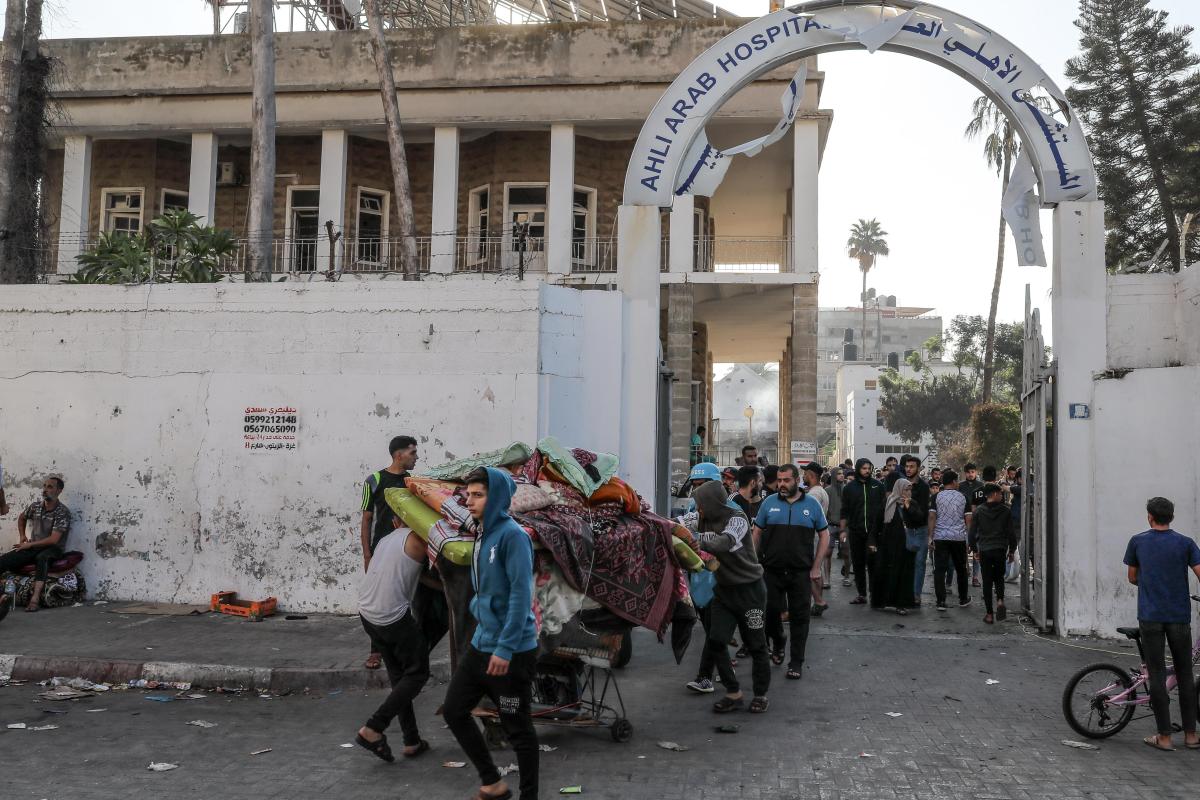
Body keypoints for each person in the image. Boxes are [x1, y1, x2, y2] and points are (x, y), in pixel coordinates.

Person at [443, 467, 539, 800]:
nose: (469, 501)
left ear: (495, 497)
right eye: (468, 494)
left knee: (518, 730)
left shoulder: (513, 536)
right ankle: (493, 782)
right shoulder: (483, 532)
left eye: (478, 494)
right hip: (482, 644)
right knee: (454, 710)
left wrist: (506, 649)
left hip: (511, 652)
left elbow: (520, 596)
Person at [1123, 497, 1200, 752]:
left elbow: (1132, 577)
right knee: (1185, 673)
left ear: (1149, 516)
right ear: (1172, 517)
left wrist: (1150, 585)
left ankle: (1164, 737)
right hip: (1179, 616)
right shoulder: (1186, 543)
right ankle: (1191, 736)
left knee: (1156, 674)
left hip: (1150, 616)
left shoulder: (1138, 541)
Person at [690, 480, 772, 713]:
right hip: (724, 592)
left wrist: (694, 538)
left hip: (751, 593)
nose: (698, 511)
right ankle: (733, 692)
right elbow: (674, 524)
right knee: (716, 640)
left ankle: (760, 694)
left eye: (701, 505)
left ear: (712, 503)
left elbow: (724, 543)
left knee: (757, 645)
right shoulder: (701, 517)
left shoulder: (737, 518)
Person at [353, 520, 432, 763]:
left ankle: (411, 741)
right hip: (392, 617)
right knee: (417, 674)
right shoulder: (419, 540)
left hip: (367, 613)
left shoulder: (387, 539)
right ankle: (374, 727)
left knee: (400, 679)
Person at [754, 464, 829, 679]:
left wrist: (816, 567)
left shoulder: (812, 504)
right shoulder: (769, 503)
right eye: (779, 480)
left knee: (800, 618)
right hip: (772, 571)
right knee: (769, 612)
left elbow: (824, 536)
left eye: (786, 480)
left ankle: (796, 662)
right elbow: (756, 533)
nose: (781, 485)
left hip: (800, 573)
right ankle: (778, 641)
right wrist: (753, 561)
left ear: (797, 480)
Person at [360, 435, 419, 670]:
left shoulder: (411, 482)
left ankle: (402, 649)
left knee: (404, 598)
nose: (416, 457)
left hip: (404, 550)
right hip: (379, 551)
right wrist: (367, 555)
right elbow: (366, 519)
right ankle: (376, 651)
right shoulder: (373, 480)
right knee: (378, 601)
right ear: (398, 455)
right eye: (412, 452)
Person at [0, 476, 71, 612]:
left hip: (53, 549)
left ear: (59, 491)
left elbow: (53, 540)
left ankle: (35, 599)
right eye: (44, 486)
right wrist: (22, 536)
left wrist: (30, 545)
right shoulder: (35, 506)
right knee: (4, 561)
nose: (45, 489)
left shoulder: (63, 512)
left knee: (42, 558)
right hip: (33, 547)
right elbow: (22, 517)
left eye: (50, 487)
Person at [871, 478, 921, 614]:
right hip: (888, 545)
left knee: (904, 576)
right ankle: (881, 601)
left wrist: (908, 507)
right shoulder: (888, 502)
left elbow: (918, 519)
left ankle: (901, 604)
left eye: (910, 489)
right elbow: (878, 523)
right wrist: (873, 541)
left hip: (906, 546)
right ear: (899, 489)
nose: (908, 492)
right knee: (886, 572)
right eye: (906, 489)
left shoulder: (913, 503)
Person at [968, 483, 1016, 624]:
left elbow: (972, 533)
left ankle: (989, 614)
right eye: (1000, 493)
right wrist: (1012, 550)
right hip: (1000, 549)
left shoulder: (979, 511)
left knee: (987, 581)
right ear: (994, 494)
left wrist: (975, 550)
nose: (1002, 496)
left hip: (985, 550)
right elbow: (1011, 533)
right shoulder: (1006, 511)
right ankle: (1000, 600)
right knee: (999, 578)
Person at [839, 458, 885, 605]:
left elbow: (884, 508)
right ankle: (861, 594)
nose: (867, 471)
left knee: (873, 563)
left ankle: (874, 593)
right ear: (858, 469)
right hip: (856, 531)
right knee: (858, 563)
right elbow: (844, 511)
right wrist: (842, 531)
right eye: (864, 468)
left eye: (868, 468)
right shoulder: (850, 488)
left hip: (874, 532)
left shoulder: (878, 486)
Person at [930, 469, 971, 611]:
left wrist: (930, 537)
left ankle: (941, 601)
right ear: (954, 481)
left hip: (940, 538)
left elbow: (932, 517)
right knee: (961, 569)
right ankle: (963, 599)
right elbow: (968, 519)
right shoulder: (963, 497)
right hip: (958, 538)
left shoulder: (936, 497)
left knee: (939, 570)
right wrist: (969, 539)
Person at [900, 456, 931, 605]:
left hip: (920, 530)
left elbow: (922, 513)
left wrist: (908, 505)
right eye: (907, 466)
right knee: (906, 564)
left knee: (919, 564)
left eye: (912, 466)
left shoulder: (924, 487)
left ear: (918, 468)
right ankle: (905, 592)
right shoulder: (901, 485)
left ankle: (916, 594)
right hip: (906, 530)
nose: (908, 469)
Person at [802, 462, 832, 615]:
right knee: (815, 570)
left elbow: (807, 517)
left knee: (811, 571)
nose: (803, 476)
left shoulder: (814, 494)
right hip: (817, 535)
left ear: (811, 475)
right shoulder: (820, 491)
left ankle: (819, 601)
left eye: (805, 473)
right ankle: (818, 602)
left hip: (812, 535)